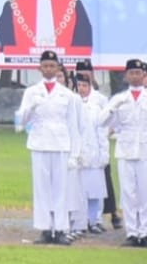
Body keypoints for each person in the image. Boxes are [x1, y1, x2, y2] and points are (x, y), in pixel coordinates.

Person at [15, 50, 84, 244]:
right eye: (45, 66)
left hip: (61, 144)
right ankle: (45, 228)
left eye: (52, 66)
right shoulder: (31, 92)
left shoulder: (67, 95)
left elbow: (73, 126)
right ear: (39, 68)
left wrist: (74, 154)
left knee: (61, 189)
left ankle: (61, 229)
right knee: (42, 188)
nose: (48, 69)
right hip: (39, 143)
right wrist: (31, 108)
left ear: (58, 68)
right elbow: (19, 124)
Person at [103, 59, 147, 247]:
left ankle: (144, 232)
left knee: (144, 193)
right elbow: (102, 122)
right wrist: (113, 108)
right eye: (132, 73)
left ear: (144, 75)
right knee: (128, 193)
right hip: (125, 150)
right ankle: (132, 232)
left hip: (145, 149)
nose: (135, 76)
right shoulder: (119, 99)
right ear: (126, 76)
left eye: (139, 72)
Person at [74, 61, 110, 235]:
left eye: (84, 85)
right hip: (78, 152)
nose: (81, 88)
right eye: (79, 85)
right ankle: (80, 221)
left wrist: (104, 153)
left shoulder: (100, 101)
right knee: (79, 190)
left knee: (96, 190)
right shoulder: (72, 101)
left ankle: (95, 220)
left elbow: (103, 129)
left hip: (95, 151)